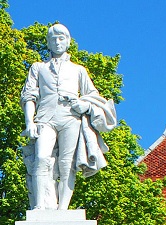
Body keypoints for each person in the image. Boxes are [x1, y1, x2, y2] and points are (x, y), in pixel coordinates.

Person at [21, 23, 116, 211]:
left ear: (68, 42)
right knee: (40, 158)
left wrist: (84, 105)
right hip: (45, 118)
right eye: (53, 39)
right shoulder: (38, 67)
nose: (57, 42)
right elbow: (29, 96)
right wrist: (29, 121)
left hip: (70, 119)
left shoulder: (78, 70)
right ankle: (40, 206)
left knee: (67, 165)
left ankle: (62, 210)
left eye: (61, 38)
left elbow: (94, 96)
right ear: (48, 43)